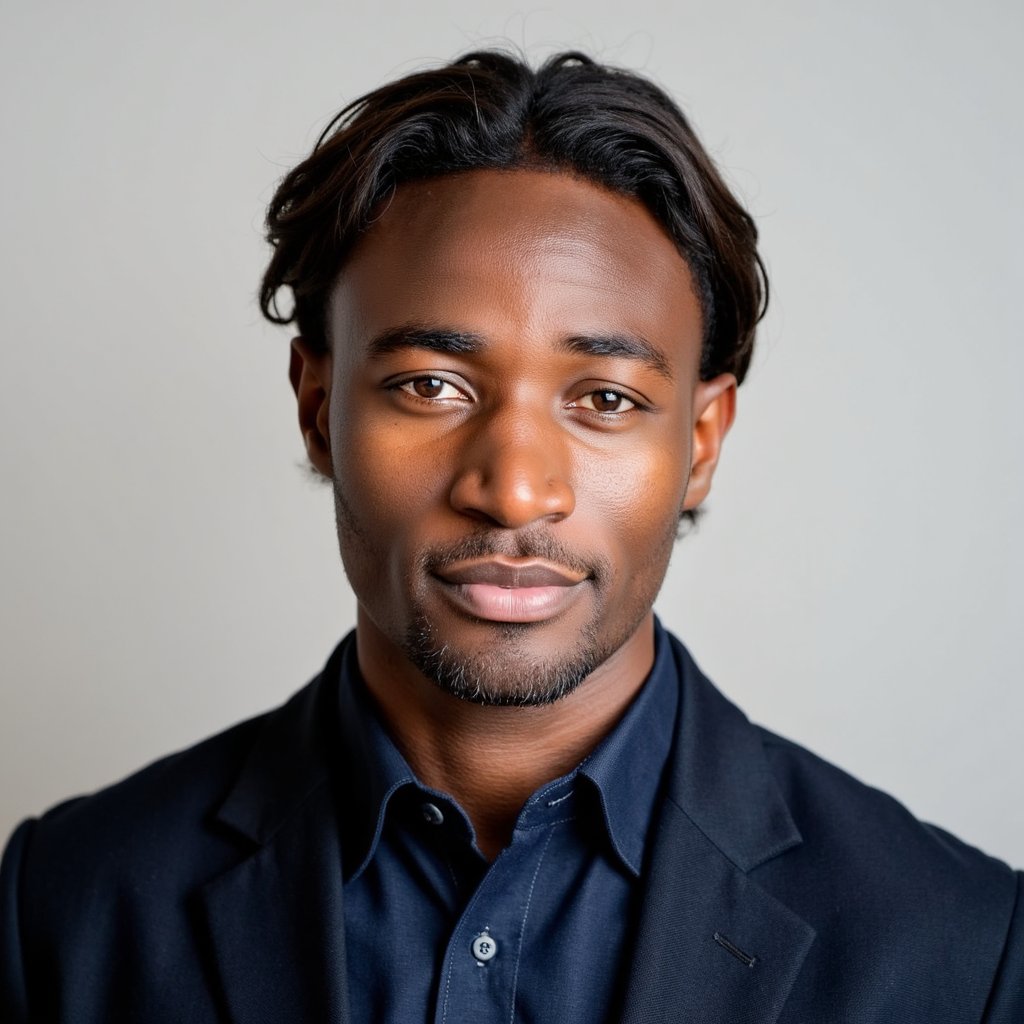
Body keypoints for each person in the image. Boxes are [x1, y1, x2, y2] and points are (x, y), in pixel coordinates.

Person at [1, 48, 1020, 1024]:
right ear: (318, 407)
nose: (514, 489)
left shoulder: (964, 949)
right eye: (430, 385)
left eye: (606, 397)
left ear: (701, 441)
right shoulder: (63, 904)